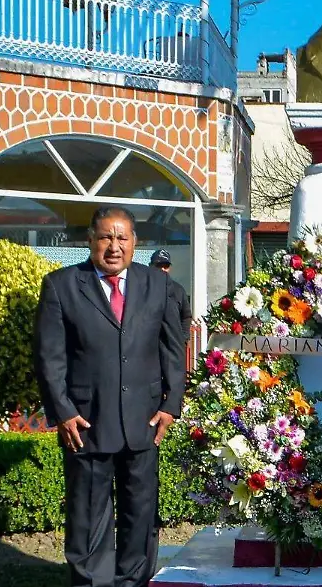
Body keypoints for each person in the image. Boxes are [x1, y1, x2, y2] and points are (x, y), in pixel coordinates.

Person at [34, 206, 185, 587]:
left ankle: (133, 581)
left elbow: (172, 348)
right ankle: (92, 582)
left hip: (144, 421)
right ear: (90, 240)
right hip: (86, 423)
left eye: (122, 238)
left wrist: (171, 405)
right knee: (87, 517)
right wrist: (63, 411)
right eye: (105, 237)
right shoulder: (62, 285)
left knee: (141, 514)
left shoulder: (158, 285)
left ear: (135, 242)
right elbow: (50, 357)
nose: (114, 246)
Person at [145, 248, 194, 580]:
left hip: (171, 354)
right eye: (157, 265)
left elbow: (186, 317)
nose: (162, 270)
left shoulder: (176, 290)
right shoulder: (143, 289)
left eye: (165, 266)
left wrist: (183, 336)